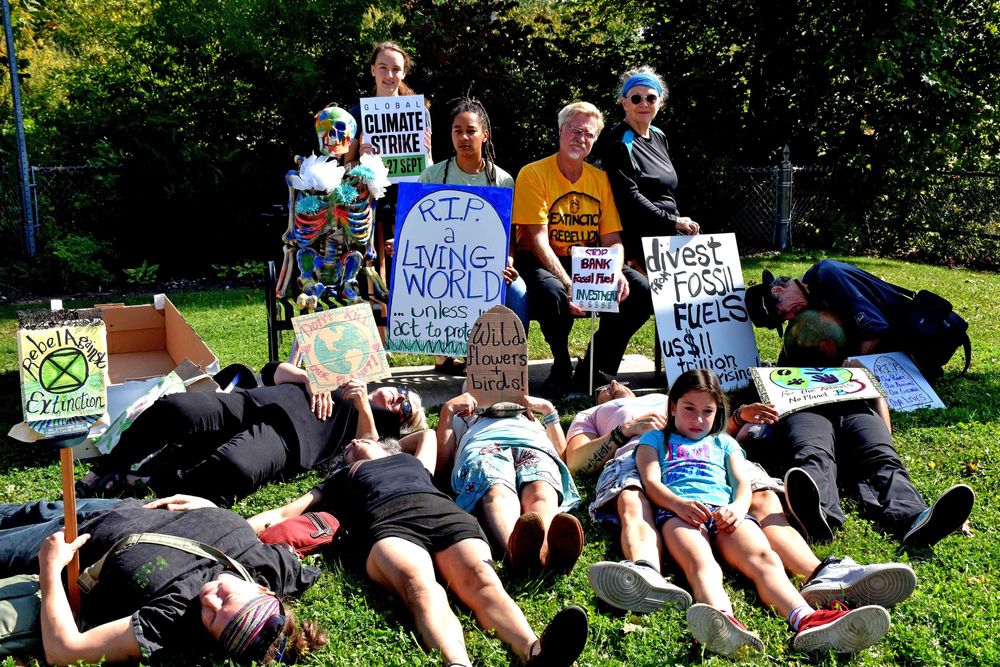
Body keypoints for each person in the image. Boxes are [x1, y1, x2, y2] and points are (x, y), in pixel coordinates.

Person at [565, 380, 916, 614]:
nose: (613, 383)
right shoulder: (592, 415)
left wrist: (736, 418)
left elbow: (715, 429)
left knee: (761, 495)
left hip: (711, 457)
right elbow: (577, 462)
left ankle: (820, 572)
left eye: (617, 382)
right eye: (604, 387)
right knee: (632, 496)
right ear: (600, 399)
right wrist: (623, 430)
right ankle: (646, 572)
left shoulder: (682, 399)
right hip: (637, 454)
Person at [247, 432, 590, 667]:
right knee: (419, 587)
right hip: (388, 524)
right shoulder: (341, 477)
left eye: (360, 439)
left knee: (483, 579)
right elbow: (284, 513)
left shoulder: (413, 462)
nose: (353, 442)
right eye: (348, 447)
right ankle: (457, 662)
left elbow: (425, 434)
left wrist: (385, 446)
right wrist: (232, 527)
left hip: (445, 516)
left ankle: (535, 651)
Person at [634, 369, 892, 657]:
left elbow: (741, 483)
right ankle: (720, 620)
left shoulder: (724, 442)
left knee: (765, 558)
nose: (698, 419)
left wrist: (737, 508)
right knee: (701, 562)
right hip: (680, 515)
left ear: (717, 412)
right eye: (689, 409)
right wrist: (677, 504)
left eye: (707, 411)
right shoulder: (655, 439)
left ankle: (806, 618)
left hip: (727, 512)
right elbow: (651, 482)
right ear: (673, 407)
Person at [0, 495, 326, 664]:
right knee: (15, 511)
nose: (209, 599)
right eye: (225, 598)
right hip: (118, 509)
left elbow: (65, 651)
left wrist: (50, 566)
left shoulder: (173, 618)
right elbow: (306, 535)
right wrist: (211, 509)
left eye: (212, 617)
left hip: (68, 541)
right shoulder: (276, 568)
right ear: (262, 589)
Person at [77, 362, 427, 506]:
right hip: (256, 401)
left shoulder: (380, 426)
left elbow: (370, 454)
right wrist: (308, 378)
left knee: (235, 467)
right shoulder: (338, 373)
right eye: (402, 392)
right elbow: (273, 371)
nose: (398, 399)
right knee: (176, 408)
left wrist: (363, 405)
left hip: (291, 440)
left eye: (406, 408)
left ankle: (151, 485)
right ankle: (107, 468)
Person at [512, 101, 652, 397]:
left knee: (640, 290)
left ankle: (596, 367)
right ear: (560, 131)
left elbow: (612, 238)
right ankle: (561, 364)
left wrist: (615, 271)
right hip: (541, 258)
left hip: (588, 261)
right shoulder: (533, 174)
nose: (581, 138)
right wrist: (568, 283)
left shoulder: (600, 179)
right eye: (575, 131)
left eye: (588, 134)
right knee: (553, 293)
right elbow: (537, 239)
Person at [746, 398, 975, 547]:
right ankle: (817, 515)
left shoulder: (854, 362)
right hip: (802, 407)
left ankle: (915, 518)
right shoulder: (777, 372)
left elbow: (877, 397)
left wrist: (885, 437)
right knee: (812, 453)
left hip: (856, 406)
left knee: (882, 457)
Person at [419, 96, 529, 374]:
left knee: (518, 291)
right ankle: (445, 355)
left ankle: (509, 364)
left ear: (485, 135)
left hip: (488, 265)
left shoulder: (502, 180)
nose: (464, 137)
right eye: (457, 131)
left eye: (471, 130)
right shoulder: (432, 176)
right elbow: (420, 228)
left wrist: (509, 260)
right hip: (444, 264)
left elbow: (509, 233)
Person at [436, 392, 583, 573]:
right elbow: (441, 464)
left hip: (533, 445)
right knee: (496, 491)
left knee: (541, 489)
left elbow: (561, 454)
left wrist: (548, 410)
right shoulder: (463, 415)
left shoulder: (528, 413)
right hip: (483, 446)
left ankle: (545, 552)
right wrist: (448, 410)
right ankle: (516, 553)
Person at [595, 67, 700, 266]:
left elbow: (665, 191)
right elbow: (629, 197)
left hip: (668, 232)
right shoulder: (618, 142)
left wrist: (678, 221)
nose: (644, 104)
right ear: (624, 103)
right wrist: (673, 221)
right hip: (638, 241)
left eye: (651, 98)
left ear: (660, 102)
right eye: (636, 99)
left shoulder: (659, 135)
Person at [744, 259, 911, 356]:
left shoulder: (827, 275)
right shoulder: (808, 296)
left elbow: (875, 328)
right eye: (783, 319)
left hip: (904, 339)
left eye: (782, 313)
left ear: (778, 290)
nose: (789, 317)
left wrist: (855, 368)